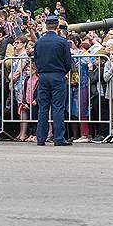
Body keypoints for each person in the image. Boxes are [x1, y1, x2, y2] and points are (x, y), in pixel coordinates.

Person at [33, 15, 74, 146]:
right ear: (57, 26)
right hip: (57, 75)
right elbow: (68, 62)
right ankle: (58, 138)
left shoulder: (39, 42)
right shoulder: (62, 42)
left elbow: (36, 60)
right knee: (58, 107)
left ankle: (41, 138)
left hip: (43, 76)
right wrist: (62, 71)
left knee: (43, 108)